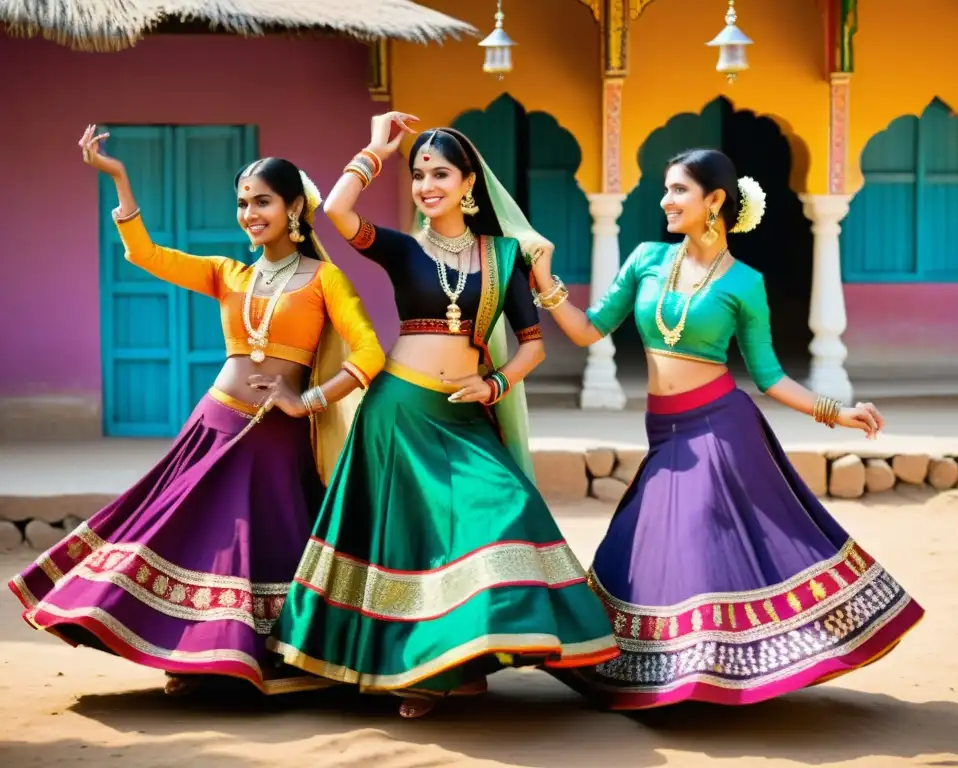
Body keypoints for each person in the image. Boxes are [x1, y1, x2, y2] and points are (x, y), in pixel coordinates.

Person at [531, 148, 925, 708]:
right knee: (635, 549)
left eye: (678, 191)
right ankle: (659, 669)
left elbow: (768, 375)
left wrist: (837, 412)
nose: (666, 201)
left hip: (720, 427)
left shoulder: (745, 283)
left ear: (714, 200)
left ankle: (700, 678)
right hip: (664, 434)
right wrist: (546, 283)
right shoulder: (645, 259)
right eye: (666, 190)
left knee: (693, 541)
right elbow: (590, 330)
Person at [7, 125, 385, 697]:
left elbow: (370, 352)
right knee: (191, 536)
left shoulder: (326, 279)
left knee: (267, 547)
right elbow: (144, 253)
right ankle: (188, 657)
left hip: (278, 439)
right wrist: (119, 178)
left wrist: (305, 399)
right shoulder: (227, 273)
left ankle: (271, 658)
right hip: (216, 424)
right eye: (242, 203)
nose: (250, 213)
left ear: (293, 208)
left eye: (262, 201)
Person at [267, 113, 619, 718]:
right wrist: (376, 149)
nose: (427, 184)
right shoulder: (402, 250)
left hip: (463, 416)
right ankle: (423, 673)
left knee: (506, 511)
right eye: (419, 174)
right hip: (397, 412)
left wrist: (495, 383)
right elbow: (338, 213)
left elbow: (533, 342)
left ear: (468, 184)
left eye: (441, 173)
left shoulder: (506, 256)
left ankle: (470, 657)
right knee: (410, 546)